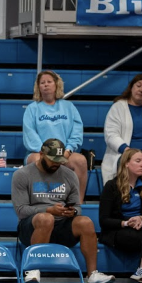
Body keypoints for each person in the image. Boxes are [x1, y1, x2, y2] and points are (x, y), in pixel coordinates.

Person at [12, 138, 114, 283]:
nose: (56, 164)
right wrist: (49, 210)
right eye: (52, 160)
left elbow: (77, 207)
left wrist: (72, 212)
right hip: (32, 227)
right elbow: (21, 211)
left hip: (61, 226)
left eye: (59, 160)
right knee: (46, 218)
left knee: (85, 222)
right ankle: (32, 269)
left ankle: (92, 274)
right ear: (41, 154)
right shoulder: (22, 174)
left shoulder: (69, 175)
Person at [22, 71, 88, 202]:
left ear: (56, 85)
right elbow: (30, 134)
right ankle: (42, 202)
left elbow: (76, 132)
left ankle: (77, 203)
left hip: (64, 153)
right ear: (38, 87)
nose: (46, 85)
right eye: (42, 83)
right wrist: (48, 154)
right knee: (36, 159)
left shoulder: (69, 106)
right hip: (40, 153)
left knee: (80, 160)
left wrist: (68, 151)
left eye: (49, 82)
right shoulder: (32, 108)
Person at [98, 148, 142, 282]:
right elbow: (104, 220)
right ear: (126, 164)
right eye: (138, 161)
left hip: (140, 228)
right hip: (118, 231)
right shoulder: (111, 186)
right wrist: (126, 223)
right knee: (133, 236)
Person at [101, 73, 142, 184]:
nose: (141, 90)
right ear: (131, 87)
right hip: (124, 154)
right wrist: (127, 151)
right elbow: (111, 134)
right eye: (139, 86)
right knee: (134, 163)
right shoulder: (118, 107)